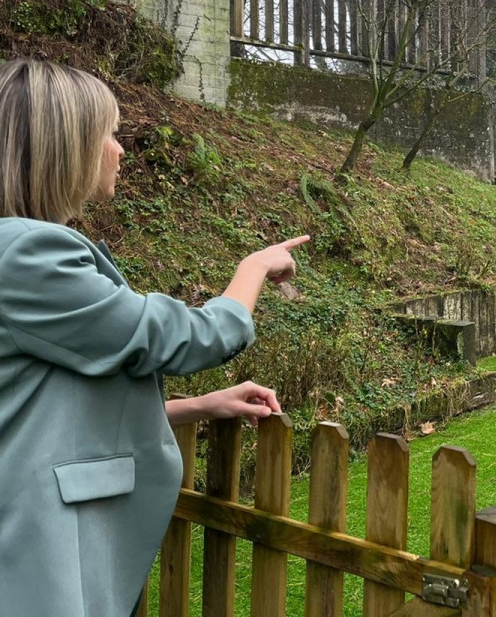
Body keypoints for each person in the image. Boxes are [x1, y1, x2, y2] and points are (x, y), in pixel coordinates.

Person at [0, 58, 309, 616]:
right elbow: (181, 337)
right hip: (35, 553)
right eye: (109, 135)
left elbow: (46, 404)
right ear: (65, 147)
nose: (120, 150)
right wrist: (255, 268)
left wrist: (198, 406)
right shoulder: (25, 255)